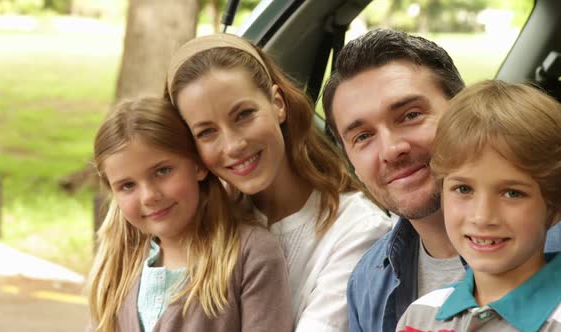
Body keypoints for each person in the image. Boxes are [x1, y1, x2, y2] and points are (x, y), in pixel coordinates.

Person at [321, 28, 561, 332]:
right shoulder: (368, 283)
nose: (392, 150)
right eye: (363, 136)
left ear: (463, 112)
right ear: (351, 162)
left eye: (410, 115)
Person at [164, 33, 393, 331]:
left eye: (244, 115)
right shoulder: (201, 221)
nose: (233, 145)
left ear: (278, 103)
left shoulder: (359, 230)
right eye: (207, 132)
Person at [86, 97, 292, 332]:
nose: (148, 196)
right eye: (127, 186)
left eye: (162, 171)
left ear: (198, 165)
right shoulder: (118, 262)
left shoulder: (250, 253)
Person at [397, 80, 561, 331]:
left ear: (555, 205)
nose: (483, 216)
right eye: (463, 189)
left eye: (512, 193)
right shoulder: (420, 316)